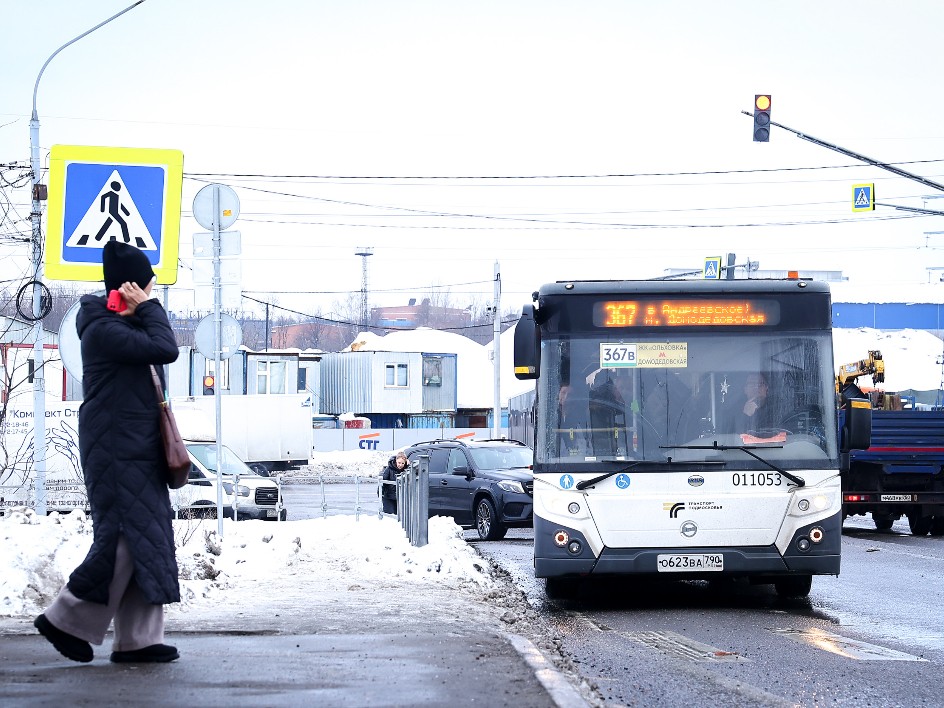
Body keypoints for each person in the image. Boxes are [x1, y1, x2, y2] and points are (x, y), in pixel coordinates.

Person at [34, 240, 181, 664]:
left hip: (138, 447)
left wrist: (141, 311)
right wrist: (149, 309)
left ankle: (139, 639)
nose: (152, 295)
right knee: (120, 538)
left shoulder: (125, 327)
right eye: (148, 288)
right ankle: (64, 618)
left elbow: (156, 349)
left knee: (146, 538)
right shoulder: (102, 329)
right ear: (133, 287)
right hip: (116, 447)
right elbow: (166, 348)